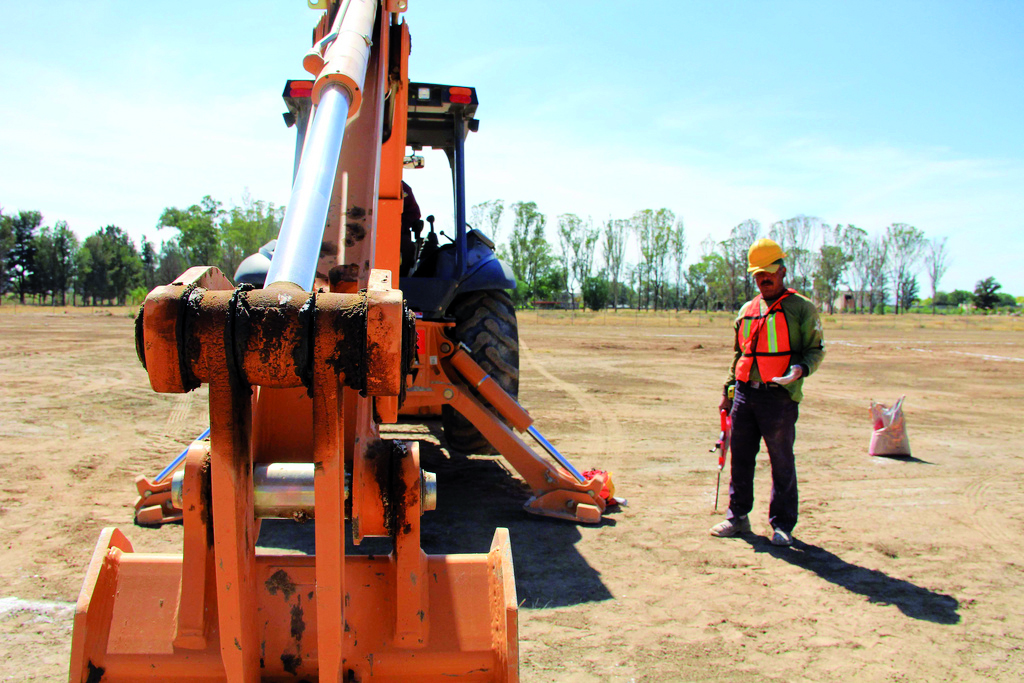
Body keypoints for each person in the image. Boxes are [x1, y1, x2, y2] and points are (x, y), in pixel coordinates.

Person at [710, 238, 825, 547]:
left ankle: (783, 524)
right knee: (740, 459)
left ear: (782, 270)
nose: (764, 279)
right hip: (746, 395)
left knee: (781, 460)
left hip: (780, 398)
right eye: (758, 274)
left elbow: (815, 350)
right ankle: (737, 516)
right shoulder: (747, 310)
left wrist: (800, 370)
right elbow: (740, 356)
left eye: (769, 272)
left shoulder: (801, 308)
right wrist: (727, 391)